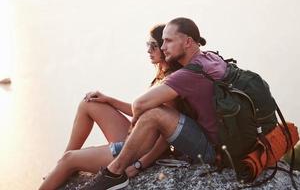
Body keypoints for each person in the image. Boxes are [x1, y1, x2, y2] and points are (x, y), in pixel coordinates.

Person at [81, 17, 228, 190]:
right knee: (156, 109)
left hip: (213, 150)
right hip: (223, 140)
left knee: (154, 113)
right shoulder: (210, 57)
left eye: (168, 41)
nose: (163, 46)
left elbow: (140, 103)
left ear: (188, 42)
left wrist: (134, 125)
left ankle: (114, 173)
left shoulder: (188, 74)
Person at [38, 24, 188, 190]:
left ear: (165, 47)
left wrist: (140, 164)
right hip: (134, 136)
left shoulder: (170, 84)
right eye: (148, 45)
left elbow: (167, 135)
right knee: (89, 103)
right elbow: (144, 112)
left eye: (153, 46)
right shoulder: (163, 75)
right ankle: (61, 167)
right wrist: (108, 100)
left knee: (69, 159)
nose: (148, 50)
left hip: (133, 151)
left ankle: (63, 166)